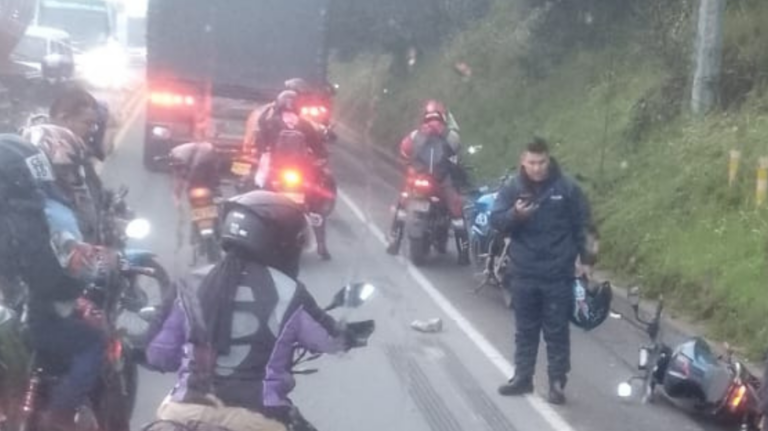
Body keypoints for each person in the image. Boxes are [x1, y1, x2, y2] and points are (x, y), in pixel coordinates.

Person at [145, 191, 371, 431]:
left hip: (183, 413)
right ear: (282, 241)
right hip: (256, 420)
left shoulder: (188, 283)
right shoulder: (290, 292)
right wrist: (347, 335)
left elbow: (158, 355)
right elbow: (330, 341)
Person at [0, 134, 115, 431]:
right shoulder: (23, 215)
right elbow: (43, 277)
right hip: (20, 323)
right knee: (93, 341)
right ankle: (60, 415)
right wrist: (77, 288)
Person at [490, 138, 596, 405]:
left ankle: (557, 383)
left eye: (542, 162)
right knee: (525, 330)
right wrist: (516, 215)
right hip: (524, 272)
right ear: (523, 162)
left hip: (558, 273)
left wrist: (587, 261)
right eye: (532, 163)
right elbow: (496, 221)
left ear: (549, 160)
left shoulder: (567, 188)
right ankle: (522, 377)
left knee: (556, 331)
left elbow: (585, 225)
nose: (537, 168)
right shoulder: (512, 188)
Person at [385, 99, 469, 264]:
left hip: (418, 178)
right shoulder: (451, 135)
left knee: (402, 206)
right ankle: (463, 253)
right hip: (442, 180)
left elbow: (404, 151)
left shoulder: (415, 134)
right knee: (457, 212)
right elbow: (457, 154)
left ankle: (395, 242)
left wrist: (411, 165)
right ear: (442, 116)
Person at [255, 90, 332, 260]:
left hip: (277, 171)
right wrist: (320, 159)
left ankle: (255, 236)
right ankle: (322, 246)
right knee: (316, 204)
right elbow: (318, 148)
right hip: (300, 173)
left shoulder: (270, 123)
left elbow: (260, 143)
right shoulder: (304, 124)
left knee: (259, 199)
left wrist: (261, 154)